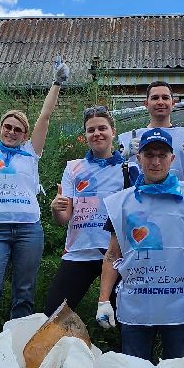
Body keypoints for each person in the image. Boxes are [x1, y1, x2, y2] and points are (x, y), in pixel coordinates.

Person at [96, 128, 184, 362]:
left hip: (179, 307)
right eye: (149, 155)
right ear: (138, 158)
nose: (155, 161)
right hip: (135, 308)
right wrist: (103, 300)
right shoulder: (120, 202)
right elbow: (112, 254)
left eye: (161, 155)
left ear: (172, 158)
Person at [0, 49, 66, 347]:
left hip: (28, 230)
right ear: (0, 129)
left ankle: (16, 347)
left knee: (24, 292)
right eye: (7, 127)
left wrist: (57, 83)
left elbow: (45, 116)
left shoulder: (30, 152)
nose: (12, 131)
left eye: (18, 129)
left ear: (25, 135)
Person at [43, 105, 127, 316]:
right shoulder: (73, 167)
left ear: (112, 131)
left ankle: (128, 350)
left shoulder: (128, 168)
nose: (97, 133)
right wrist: (56, 209)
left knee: (126, 318)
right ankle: (62, 350)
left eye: (102, 128)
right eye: (91, 130)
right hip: (79, 252)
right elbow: (63, 219)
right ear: (86, 135)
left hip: (115, 253)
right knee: (53, 313)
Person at [117, 80, 184, 182]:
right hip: (141, 196)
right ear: (146, 103)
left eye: (165, 98)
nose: (160, 102)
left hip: (181, 196)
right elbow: (115, 178)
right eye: (155, 98)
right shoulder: (128, 139)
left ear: (173, 103)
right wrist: (124, 157)